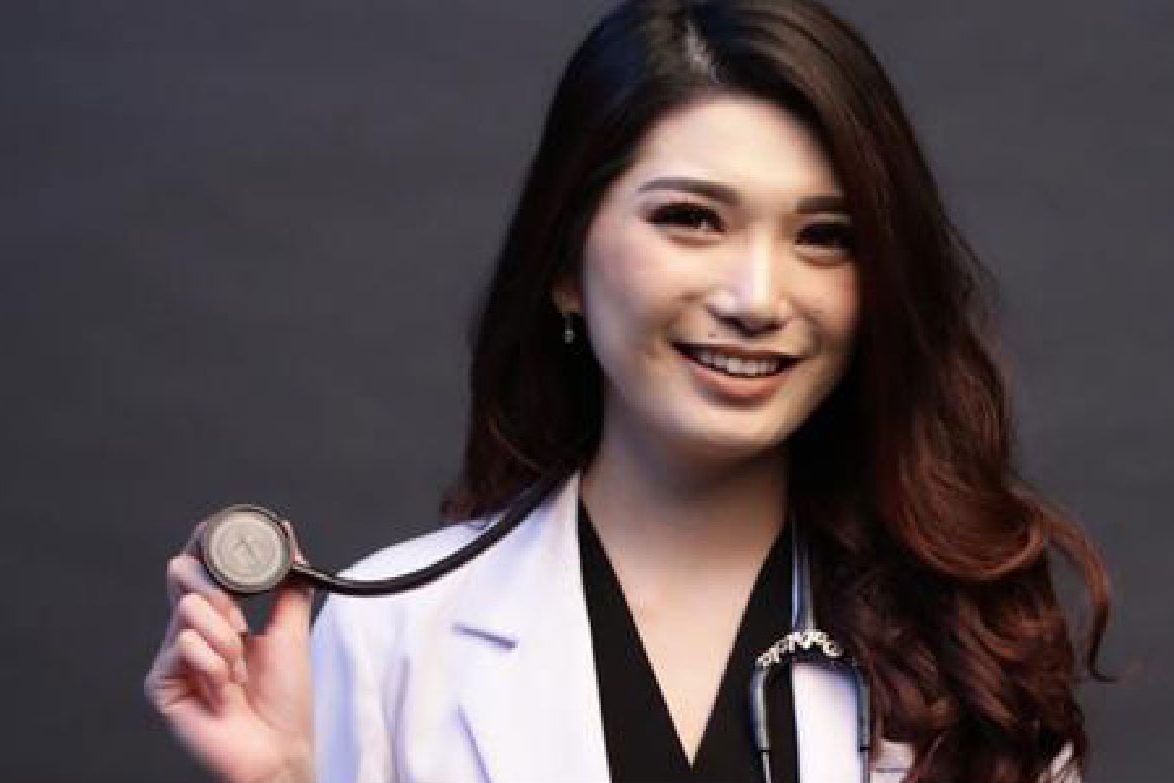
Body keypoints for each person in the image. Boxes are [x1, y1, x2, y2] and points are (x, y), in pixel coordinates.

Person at [144, 1, 1111, 781]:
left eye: (826, 236)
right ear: (566, 262)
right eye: (691, 218)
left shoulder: (967, 652)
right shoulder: (390, 638)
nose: (757, 298)